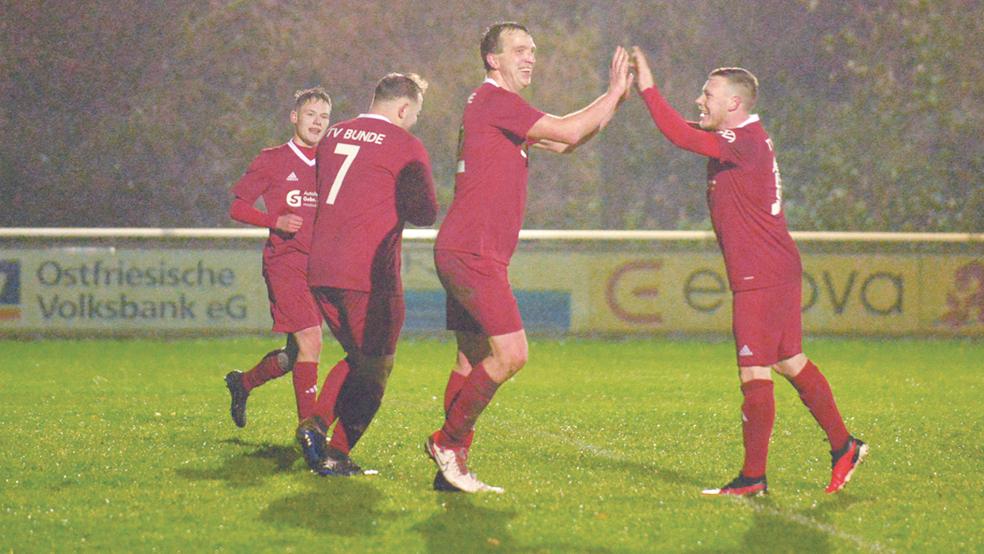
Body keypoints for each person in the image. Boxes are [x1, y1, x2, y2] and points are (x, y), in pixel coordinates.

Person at [630, 47, 867, 496]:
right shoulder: (739, 140)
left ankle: (753, 478)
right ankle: (844, 446)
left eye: (708, 94)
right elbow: (686, 130)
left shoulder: (743, 143)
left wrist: (647, 87)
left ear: (734, 105)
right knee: (788, 360)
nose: (700, 100)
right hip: (772, 267)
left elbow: (679, 137)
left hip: (762, 274)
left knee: (754, 371)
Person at [424, 22, 633, 494]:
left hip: (467, 247)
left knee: (469, 359)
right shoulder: (497, 100)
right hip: (473, 250)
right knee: (512, 354)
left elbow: (565, 141)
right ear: (492, 60)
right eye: (518, 50)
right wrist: (614, 90)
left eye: (532, 50)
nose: (529, 57)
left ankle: (450, 467)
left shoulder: (495, 108)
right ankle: (447, 442)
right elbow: (568, 129)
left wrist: (615, 100)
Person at [296, 73, 438, 476]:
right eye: (415, 114)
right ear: (404, 109)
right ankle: (333, 448)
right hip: (369, 274)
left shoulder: (335, 134)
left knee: (360, 358)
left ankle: (315, 428)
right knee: (378, 366)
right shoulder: (405, 145)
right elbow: (425, 213)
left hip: (322, 266)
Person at [224, 87, 331, 430]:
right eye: (311, 114)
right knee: (312, 340)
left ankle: (242, 383)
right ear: (295, 117)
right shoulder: (273, 159)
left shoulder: (331, 162)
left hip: (318, 267)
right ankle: (309, 433)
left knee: (294, 356)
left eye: (324, 116)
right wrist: (275, 221)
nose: (317, 122)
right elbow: (237, 206)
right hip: (285, 264)